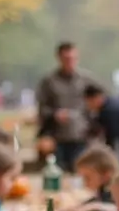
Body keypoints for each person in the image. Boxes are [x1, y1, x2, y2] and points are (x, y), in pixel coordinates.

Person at [36, 42, 94, 172]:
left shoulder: (87, 80)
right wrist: (55, 114)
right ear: (59, 59)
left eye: (73, 58)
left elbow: (97, 103)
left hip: (81, 136)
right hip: (57, 137)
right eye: (66, 59)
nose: (70, 62)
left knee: (81, 172)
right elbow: (42, 108)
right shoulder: (49, 81)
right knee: (56, 172)